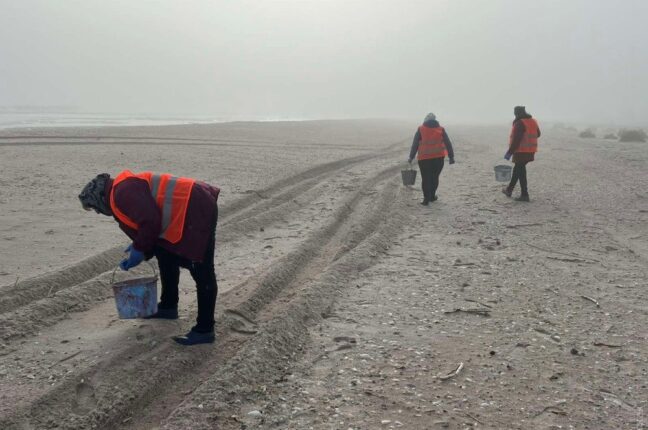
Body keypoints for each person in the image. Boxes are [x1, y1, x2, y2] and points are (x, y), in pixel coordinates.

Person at [79, 170, 220, 345]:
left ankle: (205, 330)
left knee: (201, 268)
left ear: (98, 197)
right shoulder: (119, 192)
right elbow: (148, 225)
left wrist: (139, 248)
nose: (98, 212)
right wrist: (141, 247)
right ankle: (168, 306)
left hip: (197, 206)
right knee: (165, 255)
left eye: (94, 208)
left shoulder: (123, 193)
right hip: (187, 208)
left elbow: (150, 221)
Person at [408, 112, 455, 205]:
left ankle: (426, 199)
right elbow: (448, 143)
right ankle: (432, 196)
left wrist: (411, 157)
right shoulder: (441, 129)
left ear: (425, 120)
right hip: (438, 159)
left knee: (426, 179)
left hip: (424, 159)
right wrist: (451, 157)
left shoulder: (421, 129)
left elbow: (415, 144)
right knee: (434, 178)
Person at [502, 106, 540, 202]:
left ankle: (523, 194)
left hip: (521, 151)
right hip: (531, 150)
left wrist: (509, 152)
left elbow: (516, 140)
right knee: (519, 170)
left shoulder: (519, 123)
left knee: (520, 171)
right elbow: (538, 134)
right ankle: (510, 190)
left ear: (516, 113)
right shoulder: (533, 121)